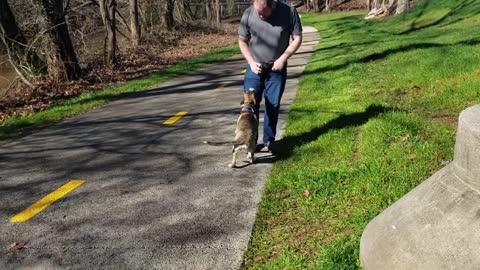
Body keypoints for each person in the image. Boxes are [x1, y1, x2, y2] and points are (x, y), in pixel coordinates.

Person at [238, 0, 302, 154]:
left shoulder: (288, 12)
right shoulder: (248, 14)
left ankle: (269, 141)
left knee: (272, 106)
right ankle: (251, 141)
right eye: (257, 12)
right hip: (255, 68)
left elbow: (297, 38)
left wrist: (282, 59)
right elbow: (242, 41)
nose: (259, 15)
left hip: (276, 69)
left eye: (262, 12)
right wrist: (251, 62)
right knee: (249, 107)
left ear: (272, 6)